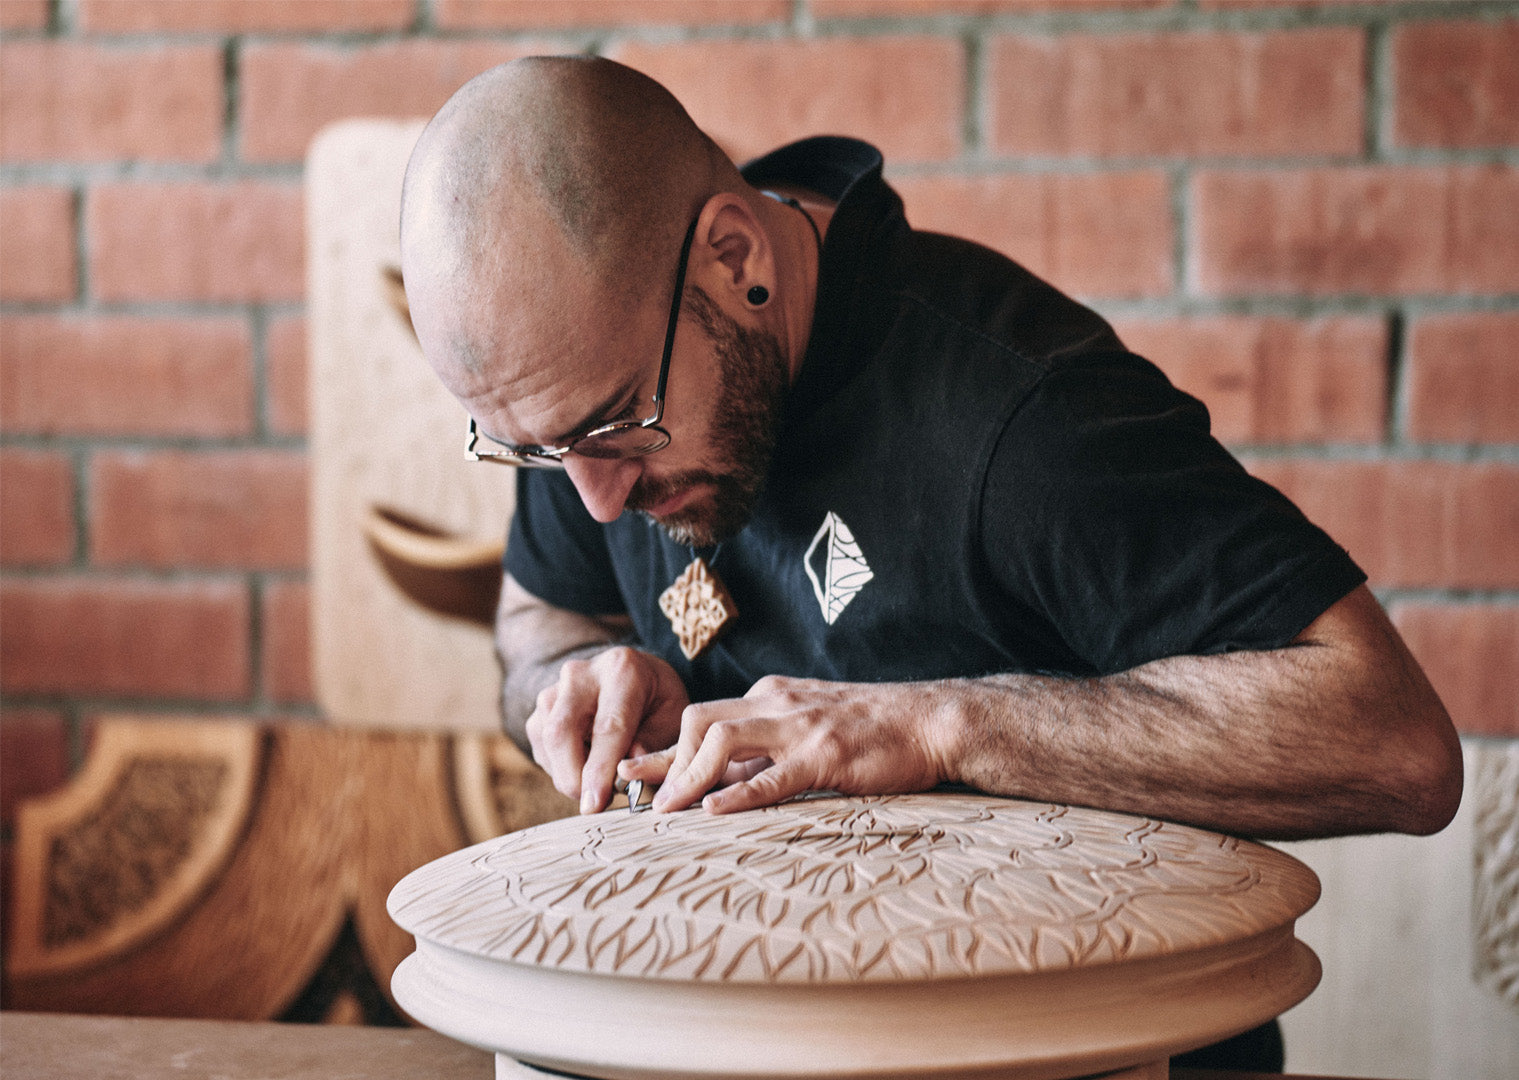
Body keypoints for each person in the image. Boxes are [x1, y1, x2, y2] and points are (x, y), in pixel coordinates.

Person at [399, 55, 1461, 842]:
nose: (593, 497)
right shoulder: (581, 391)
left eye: (617, 421)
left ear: (734, 257)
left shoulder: (1021, 418)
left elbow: (1395, 744)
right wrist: (573, 681)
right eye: (536, 452)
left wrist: (942, 726)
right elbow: (541, 615)